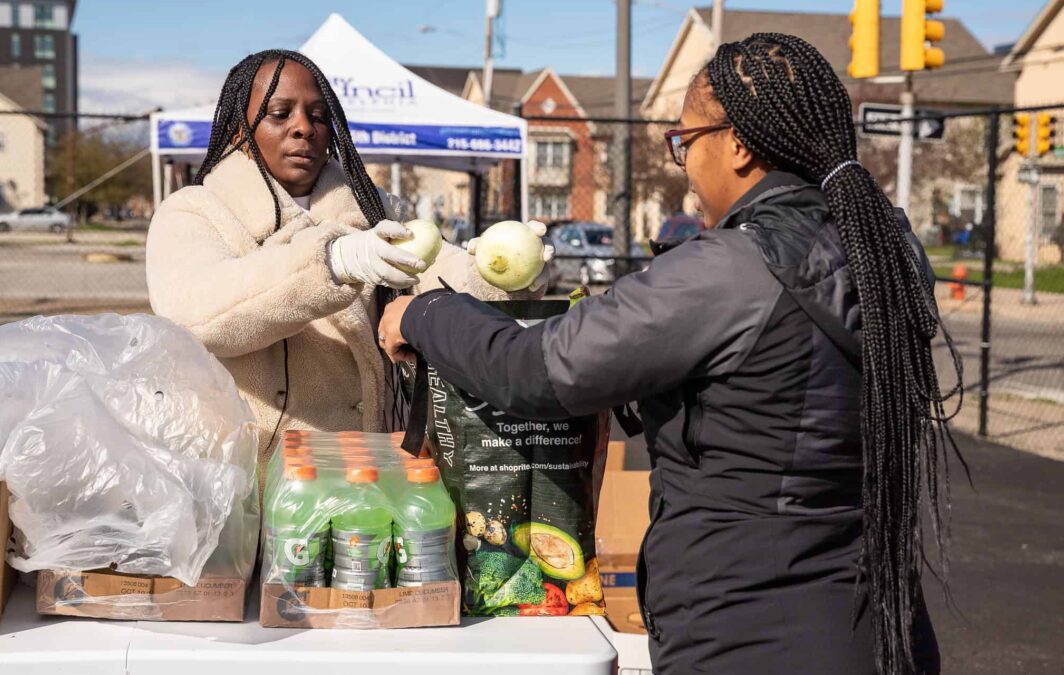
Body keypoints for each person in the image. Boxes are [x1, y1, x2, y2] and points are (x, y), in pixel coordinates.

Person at [378, 34, 960, 675]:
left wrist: (427, 311)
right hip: (880, 628)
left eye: (685, 142)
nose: (683, 164)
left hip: (751, 631)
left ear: (736, 144)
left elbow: (535, 371)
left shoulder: (733, 269)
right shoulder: (886, 253)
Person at [146, 50, 546, 489]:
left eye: (319, 116)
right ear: (241, 130)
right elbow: (198, 313)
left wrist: (498, 273)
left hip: (368, 475)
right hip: (255, 486)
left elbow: (435, 271)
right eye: (279, 113)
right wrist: (331, 262)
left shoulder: (375, 210)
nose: (304, 128)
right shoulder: (196, 211)